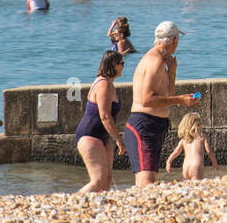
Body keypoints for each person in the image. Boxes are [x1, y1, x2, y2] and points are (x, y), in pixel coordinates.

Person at [125, 22, 199, 187]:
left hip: (153, 125)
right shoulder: (154, 61)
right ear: (174, 41)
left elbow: (166, 95)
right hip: (144, 125)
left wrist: (172, 72)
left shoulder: (161, 61)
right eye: (178, 40)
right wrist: (181, 100)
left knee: (149, 180)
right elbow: (147, 100)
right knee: (146, 182)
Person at [75, 50, 126, 193]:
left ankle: (99, 209)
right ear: (114, 65)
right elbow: (105, 116)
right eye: (122, 63)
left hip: (102, 136)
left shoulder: (109, 84)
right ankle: (72, 202)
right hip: (90, 135)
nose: (123, 66)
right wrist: (119, 140)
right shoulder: (103, 85)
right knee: (97, 181)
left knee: (107, 180)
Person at [166, 112, 219, 180]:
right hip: (196, 166)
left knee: (188, 187)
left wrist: (169, 162)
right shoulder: (202, 138)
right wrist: (214, 162)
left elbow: (176, 152)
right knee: (197, 186)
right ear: (198, 126)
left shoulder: (184, 140)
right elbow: (209, 151)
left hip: (186, 166)